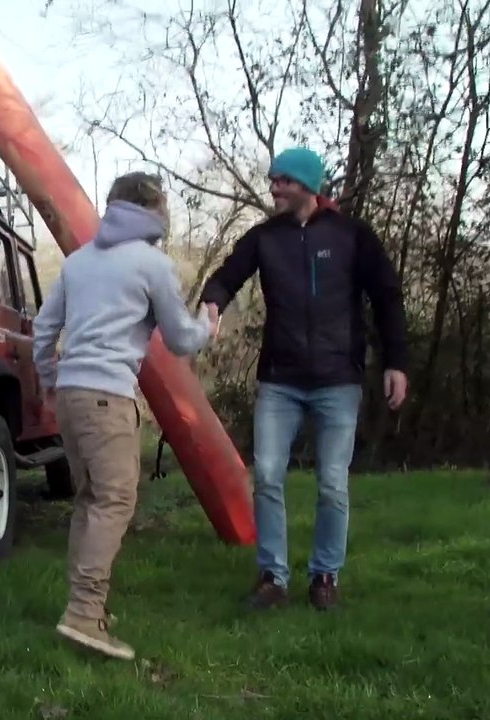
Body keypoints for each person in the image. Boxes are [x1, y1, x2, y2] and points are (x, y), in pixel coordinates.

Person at [198, 146, 409, 612]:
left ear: (308, 185)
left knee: (333, 482)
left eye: (284, 181)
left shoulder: (353, 236)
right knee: (269, 476)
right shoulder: (264, 238)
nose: (274, 188)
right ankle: (273, 576)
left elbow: (388, 297)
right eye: (273, 180)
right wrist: (212, 303)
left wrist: (397, 361)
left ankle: (324, 576)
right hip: (280, 380)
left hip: (338, 380)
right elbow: (227, 277)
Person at [32, 171, 218, 660]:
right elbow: (180, 340)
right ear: (154, 211)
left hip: (72, 394)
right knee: (113, 502)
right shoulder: (152, 264)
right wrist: (207, 326)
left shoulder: (77, 263)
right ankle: (83, 612)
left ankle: (86, 609)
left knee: (91, 500)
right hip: (108, 398)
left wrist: (51, 386)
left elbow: (43, 329)